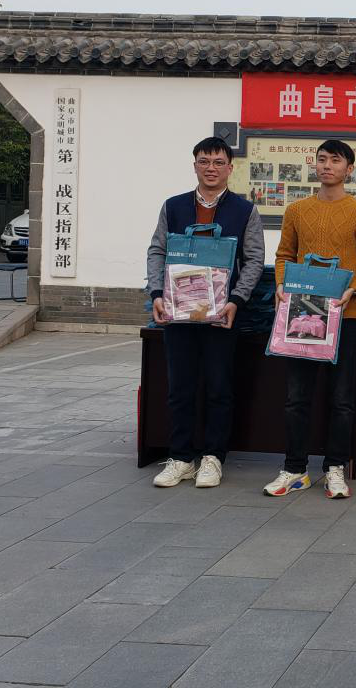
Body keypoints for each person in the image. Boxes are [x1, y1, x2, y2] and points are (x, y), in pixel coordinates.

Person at [265, 139, 356, 500]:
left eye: (335, 160)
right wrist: (281, 285)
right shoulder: (296, 210)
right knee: (296, 397)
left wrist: (355, 289)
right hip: (301, 314)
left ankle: (335, 468)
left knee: (341, 398)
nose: (327, 165)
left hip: (343, 315)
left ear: (349, 169)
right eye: (322, 159)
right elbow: (284, 255)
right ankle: (294, 469)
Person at [146, 137, 265, 489]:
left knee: (218, 387)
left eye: (218, 162)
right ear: (195, 165)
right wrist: (157, 293)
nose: (211, 168)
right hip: (178, 312)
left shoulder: (245, 211)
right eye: (204, 161)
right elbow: (157, 250)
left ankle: (213, 457)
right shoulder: (174, 206)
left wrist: (236, 300)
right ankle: (181, 458)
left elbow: (254, 259)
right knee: (180, 387)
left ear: (230, 168)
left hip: (221, 314)